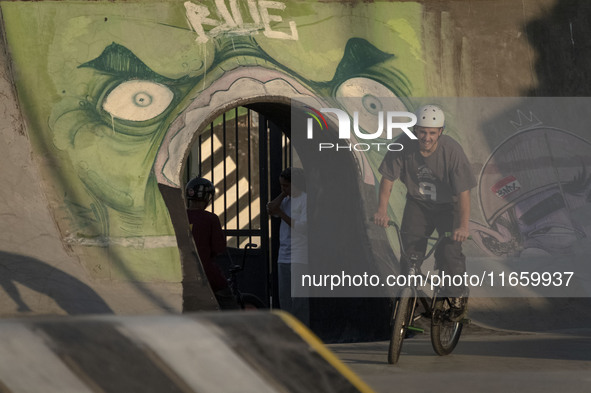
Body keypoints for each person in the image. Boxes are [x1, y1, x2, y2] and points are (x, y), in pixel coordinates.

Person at [374, 104, 476, 321]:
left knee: (450, 253)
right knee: (409, 255)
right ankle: (411, 302)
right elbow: (388, 179)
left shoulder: (452, 151)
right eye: (422, 131)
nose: (426, 137)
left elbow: (464, 193)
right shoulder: (403, 144)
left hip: (449, 207)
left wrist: (462, 226)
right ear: (415, 130)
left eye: (432, 132)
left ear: (440, 131)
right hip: (418, 205)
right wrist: (382, 211)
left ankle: (457, 296)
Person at [186, 177, 238, 310]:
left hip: (182, 274)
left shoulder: (179, 216)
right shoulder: (210, 219)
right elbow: (219, 248)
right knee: (230, 306)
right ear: (207, 198)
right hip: (206, 273)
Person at [267, 167, 309, 326]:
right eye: (281, 185)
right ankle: (288, 328)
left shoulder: (305, 200)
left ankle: (302, 328)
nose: (283, 189)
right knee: (284, 296)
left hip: (300, 255)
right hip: (283, 254)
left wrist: (282, 214)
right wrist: (283, 194)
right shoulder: (285, 200)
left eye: (287, 185)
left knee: (299, 297)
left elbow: (303, 227)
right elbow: (270, 209)